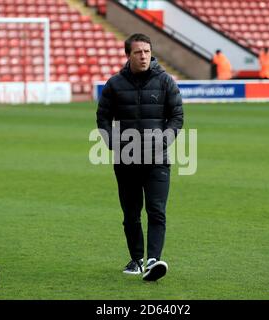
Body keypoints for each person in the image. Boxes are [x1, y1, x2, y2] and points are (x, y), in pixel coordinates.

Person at [96, 33, 183, 281]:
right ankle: (136, 259)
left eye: (146, 51)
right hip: (126, 159)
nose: (143, 56)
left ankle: (153, 260)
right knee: (131, 214)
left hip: (157, 159)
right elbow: (103, 118)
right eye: (138, 52)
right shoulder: (114, 84)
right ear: (128, 55)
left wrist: (164, 140)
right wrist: (114, 144)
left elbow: (176, 117)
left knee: (156, 211)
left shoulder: (166, 81)